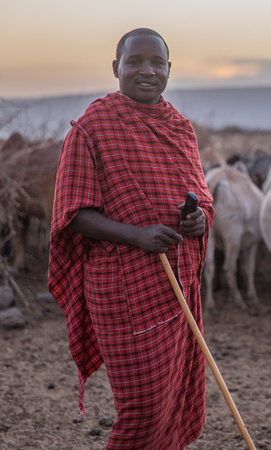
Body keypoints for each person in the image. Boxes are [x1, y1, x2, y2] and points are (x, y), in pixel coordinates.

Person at [48, 28, 214, 449]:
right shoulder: (91, 128)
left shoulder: (180, 128)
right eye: (135, 61)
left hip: (178, 285)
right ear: (116, 68)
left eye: (157, 63)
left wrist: (197, 222)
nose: (147, 71)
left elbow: (203, 197)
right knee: (141, 409)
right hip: (122, 290)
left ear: (169, 69)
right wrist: (136, 236)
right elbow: (73, 214)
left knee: (173, 401)